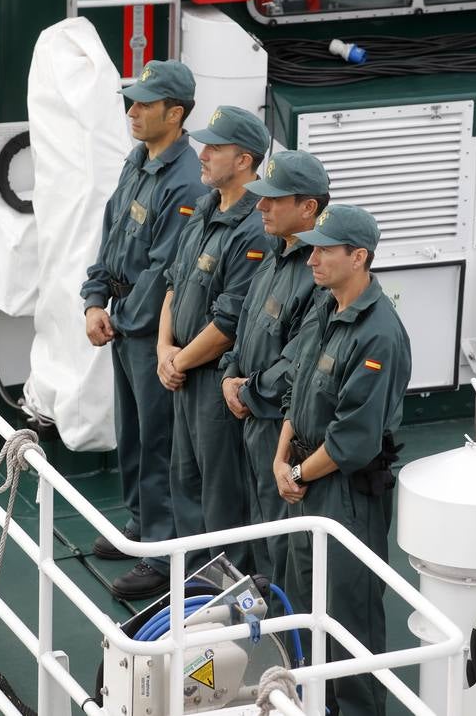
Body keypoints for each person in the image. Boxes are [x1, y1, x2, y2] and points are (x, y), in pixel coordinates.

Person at [273, 204, 411, 716]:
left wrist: (293, 472)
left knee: (349, 621)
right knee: (300, 603)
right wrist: (283, 456)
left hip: (344, 494)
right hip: (304, 479)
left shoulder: (380, 335)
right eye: (313, 247)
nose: (312, 259)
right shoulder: (325, 307)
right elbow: (298, 383)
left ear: (359, 257)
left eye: (326, 250)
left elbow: (353, 439)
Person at [81, 59, 205, 600]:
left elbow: (163, 269)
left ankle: (160, 552)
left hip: (150, 331)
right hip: (123, 324)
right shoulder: (139, 160)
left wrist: (124, 320)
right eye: (131, 101)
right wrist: (93, 300)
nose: (132, 111)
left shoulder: (184, 181)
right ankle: (138, 526)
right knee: (131, 433)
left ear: (174, 114)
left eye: (144, 104)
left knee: (157, 443)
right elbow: (112, 235)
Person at [157, 106, 271, 575]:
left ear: (244, 160)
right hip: (182, 369)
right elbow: (174, 282)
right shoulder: (206, 208)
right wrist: (164, 350)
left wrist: (178, 360)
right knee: (185, 483)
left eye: (215, 148)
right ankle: (196, 590)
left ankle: (231, 599)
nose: (202, 155)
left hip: (208, 379)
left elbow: (229, 324)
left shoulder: (251, 228)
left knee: (221, 496)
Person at [220, 150, 330, 591]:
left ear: (308, 208)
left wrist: (246, 392)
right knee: (261, 530)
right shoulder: (275, 254)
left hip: (277, 425)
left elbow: (299, 362)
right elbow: (245, 325)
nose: (261, 205)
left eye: (274, 199)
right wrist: (229, 373)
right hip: (251, 417)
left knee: (285, 544)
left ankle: (294, 642)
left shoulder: (317, 272)